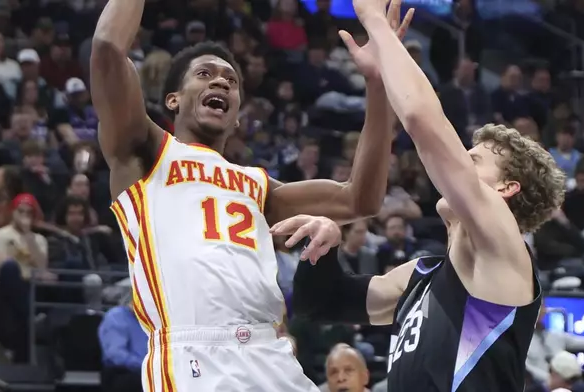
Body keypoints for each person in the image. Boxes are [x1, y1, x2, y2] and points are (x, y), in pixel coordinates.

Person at [89, 0, 408, 390]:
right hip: (193, 352)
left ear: (238, 114)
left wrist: (378, 85)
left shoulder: (257, 185)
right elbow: (107, 49)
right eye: (204, 74)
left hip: (268, 351)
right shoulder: (147, 152)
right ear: (173, 99)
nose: (220, 81)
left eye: (231, 80)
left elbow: (360, 199)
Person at [277, 2, 566, 391]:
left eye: (471, 161)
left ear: (505, 190)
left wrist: (375, 21)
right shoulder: (421, 275)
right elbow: (322, 303)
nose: (454, 167)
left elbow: (422, 121)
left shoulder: (504, 252)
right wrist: (324, 243)